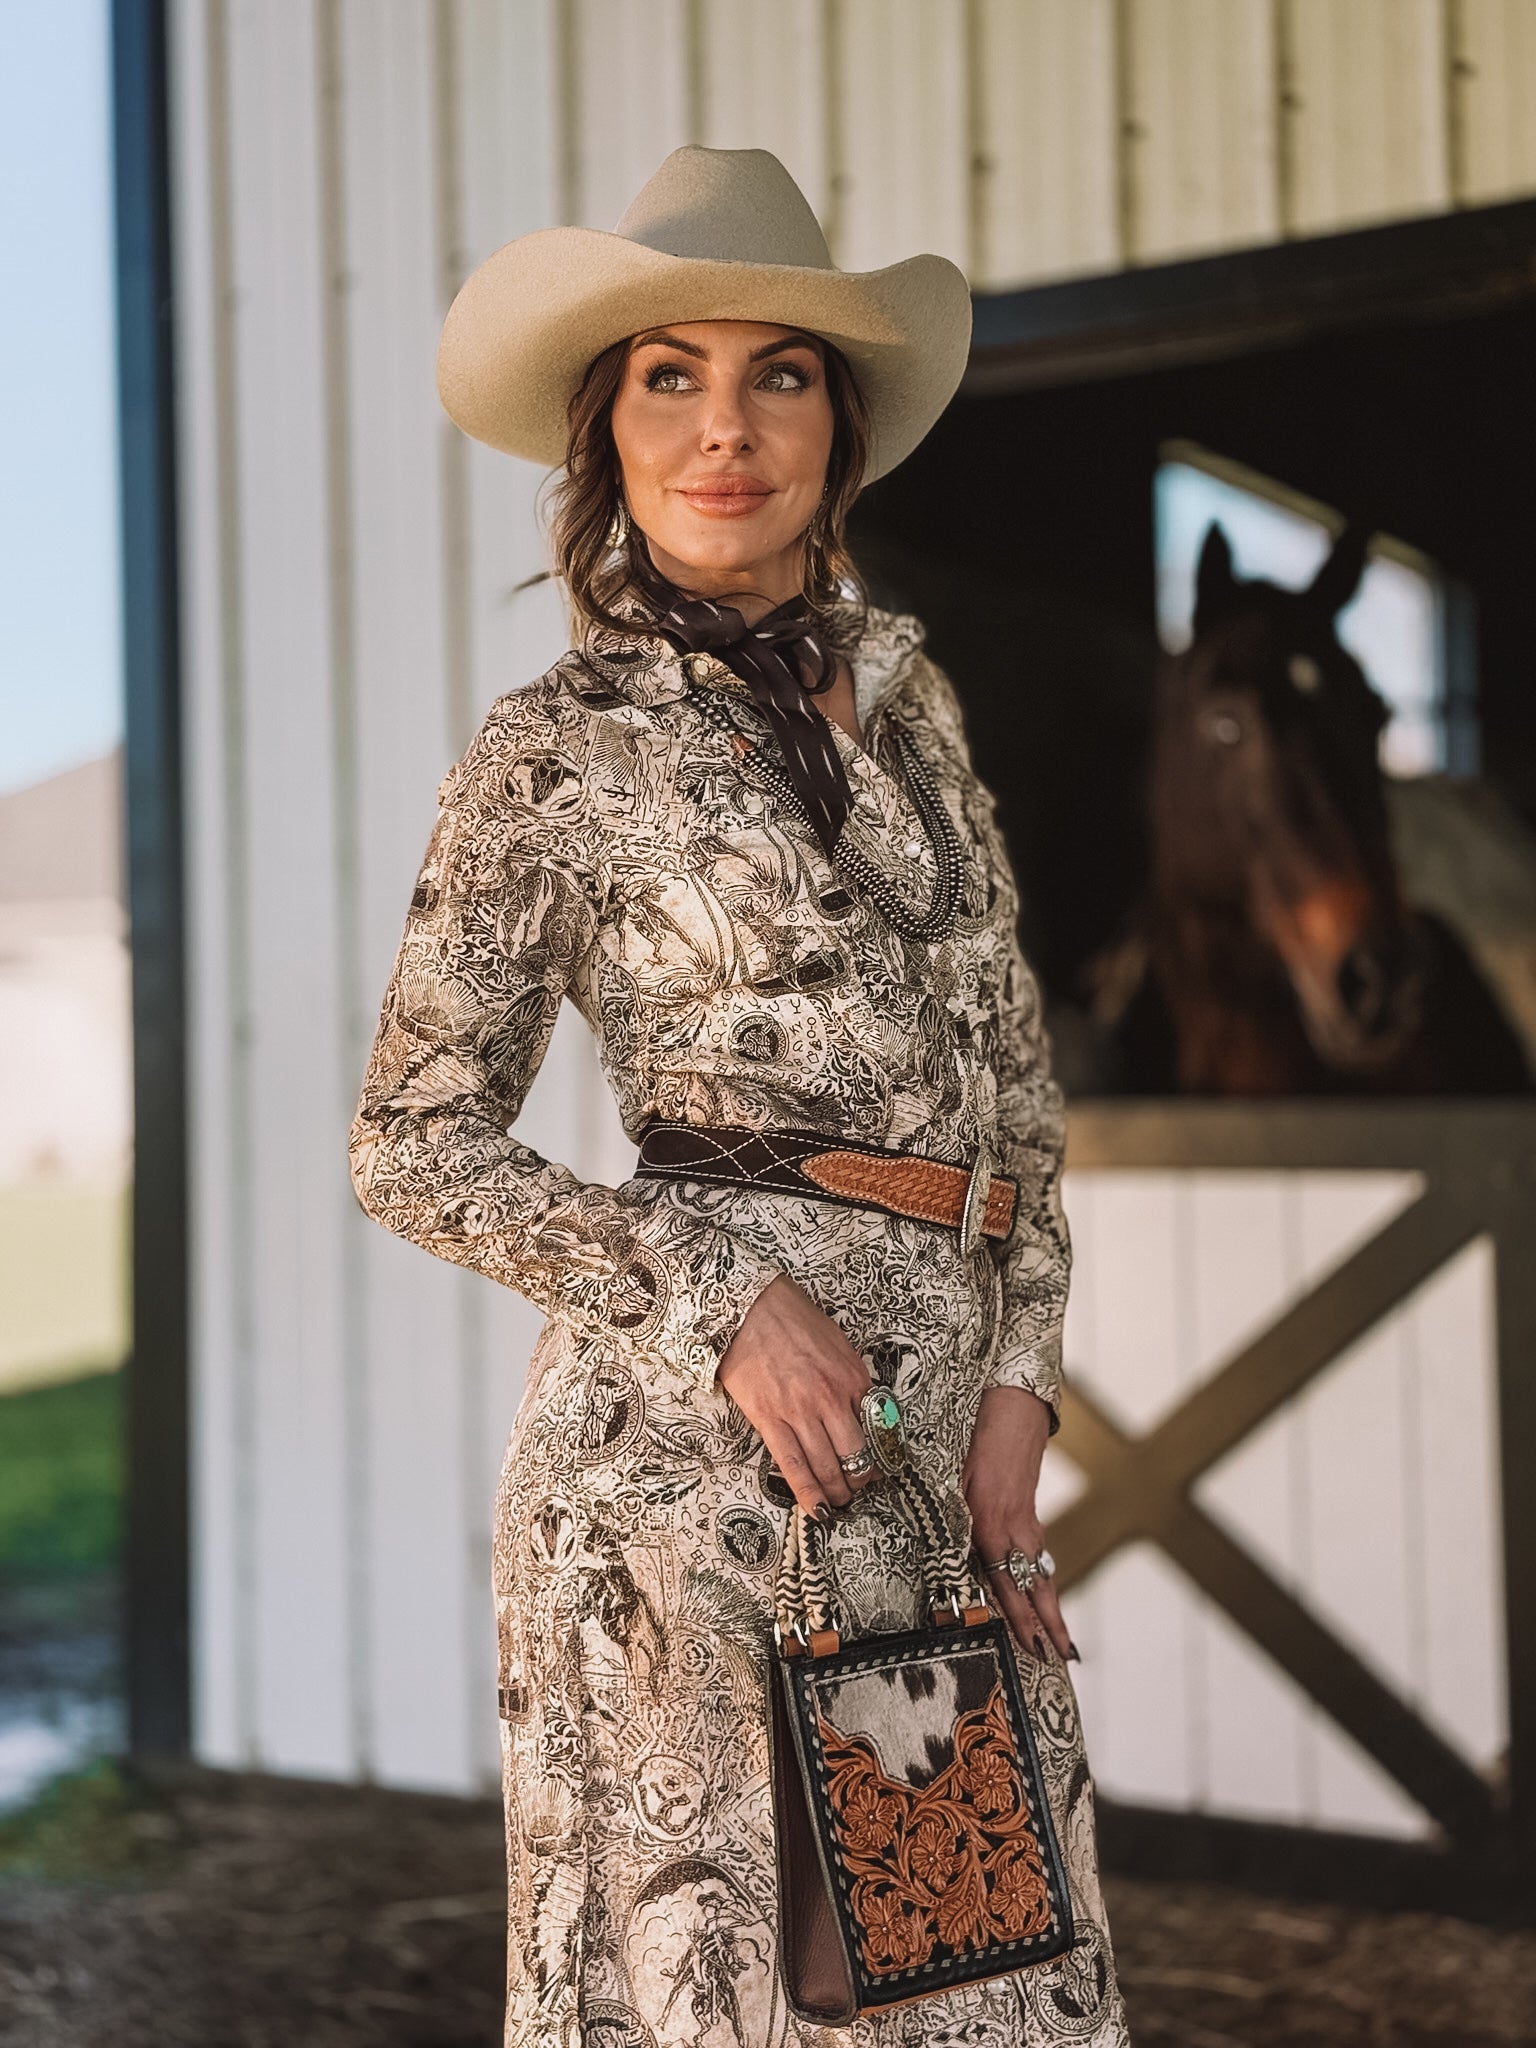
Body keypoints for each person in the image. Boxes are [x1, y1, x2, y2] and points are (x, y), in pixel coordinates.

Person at [350, 145, 1129, 2048]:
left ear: (838, 429)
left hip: (939, 1470)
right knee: (757, 1998)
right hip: (698, 1486)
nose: (725, 427)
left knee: (979, 1981)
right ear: (604, 432)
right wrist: (718, 1299)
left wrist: (1024, 1371)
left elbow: (1010, 1088)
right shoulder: (557, 748)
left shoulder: (919, 705)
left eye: (778, 372)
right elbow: (408, 1140)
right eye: (667, 376)